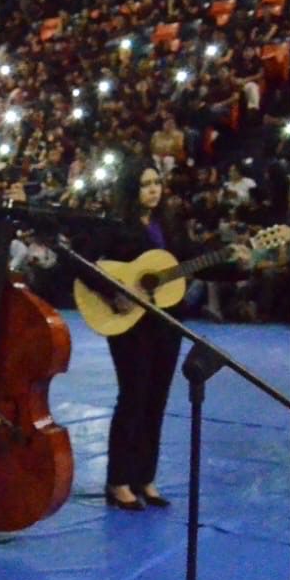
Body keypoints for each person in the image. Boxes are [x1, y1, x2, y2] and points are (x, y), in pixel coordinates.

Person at [88, 161, 247, 509]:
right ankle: (118, 480)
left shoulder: (170, 226)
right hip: (129, 325)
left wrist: (236, 263)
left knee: (156, 398)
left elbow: (196, 262)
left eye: (156, 183)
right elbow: (84, 264)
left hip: (166, 322)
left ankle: (145, 477)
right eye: (145, 184)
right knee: (133, 397)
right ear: (131, 189)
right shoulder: (115, 226)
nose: (153, 190)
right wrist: (114, 292)